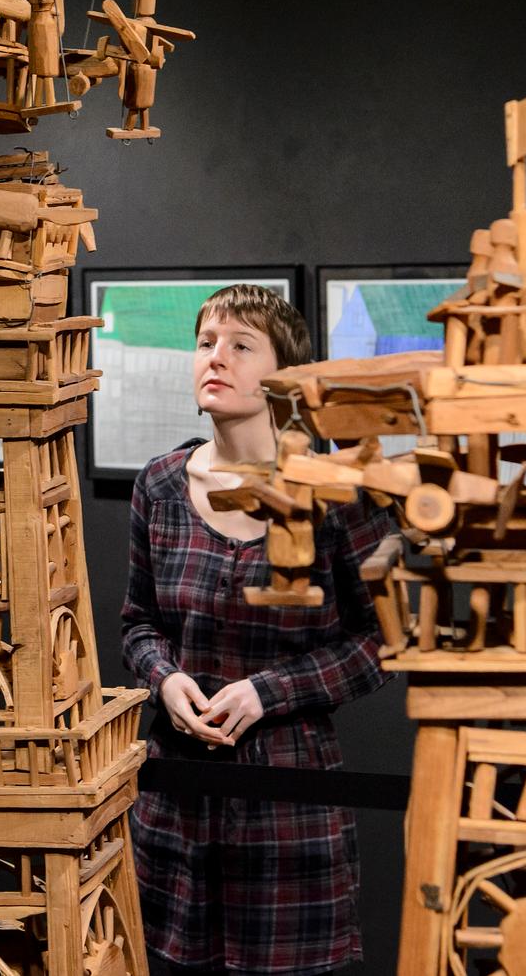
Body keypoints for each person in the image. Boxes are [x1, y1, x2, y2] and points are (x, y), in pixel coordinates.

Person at [121, 283, 393, 976]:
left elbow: (382, 640)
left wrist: (267, 692)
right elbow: (139, 623)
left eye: (242, 345)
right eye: (207, 342)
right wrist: (166, 677)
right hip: (175, 801)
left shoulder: (334, 492)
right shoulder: (159, 486)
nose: (217, 358)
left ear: (281, 374)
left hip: (287, 805)